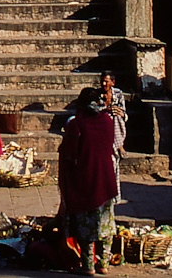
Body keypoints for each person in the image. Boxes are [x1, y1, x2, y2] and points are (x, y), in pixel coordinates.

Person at [59, 87, 118, 276]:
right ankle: (105, 263)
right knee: (106, 224)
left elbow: (69, 154)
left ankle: (88, 265)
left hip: (84, 180)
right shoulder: (108, 121)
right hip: (106, 179)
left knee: (86, 226)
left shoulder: (76, 125)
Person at [95, 71, 127, 199]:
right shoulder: (97, 95)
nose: (104, 84)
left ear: (112, 83)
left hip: (116, 126)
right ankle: (119, 145)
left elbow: (125, 114)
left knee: (116, 117)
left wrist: (119, 112)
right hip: (100, 125)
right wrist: (105, 110)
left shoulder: (118, 94)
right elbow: (93, 111)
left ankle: (119, 145)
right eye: (102, 81)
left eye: (106, 82)